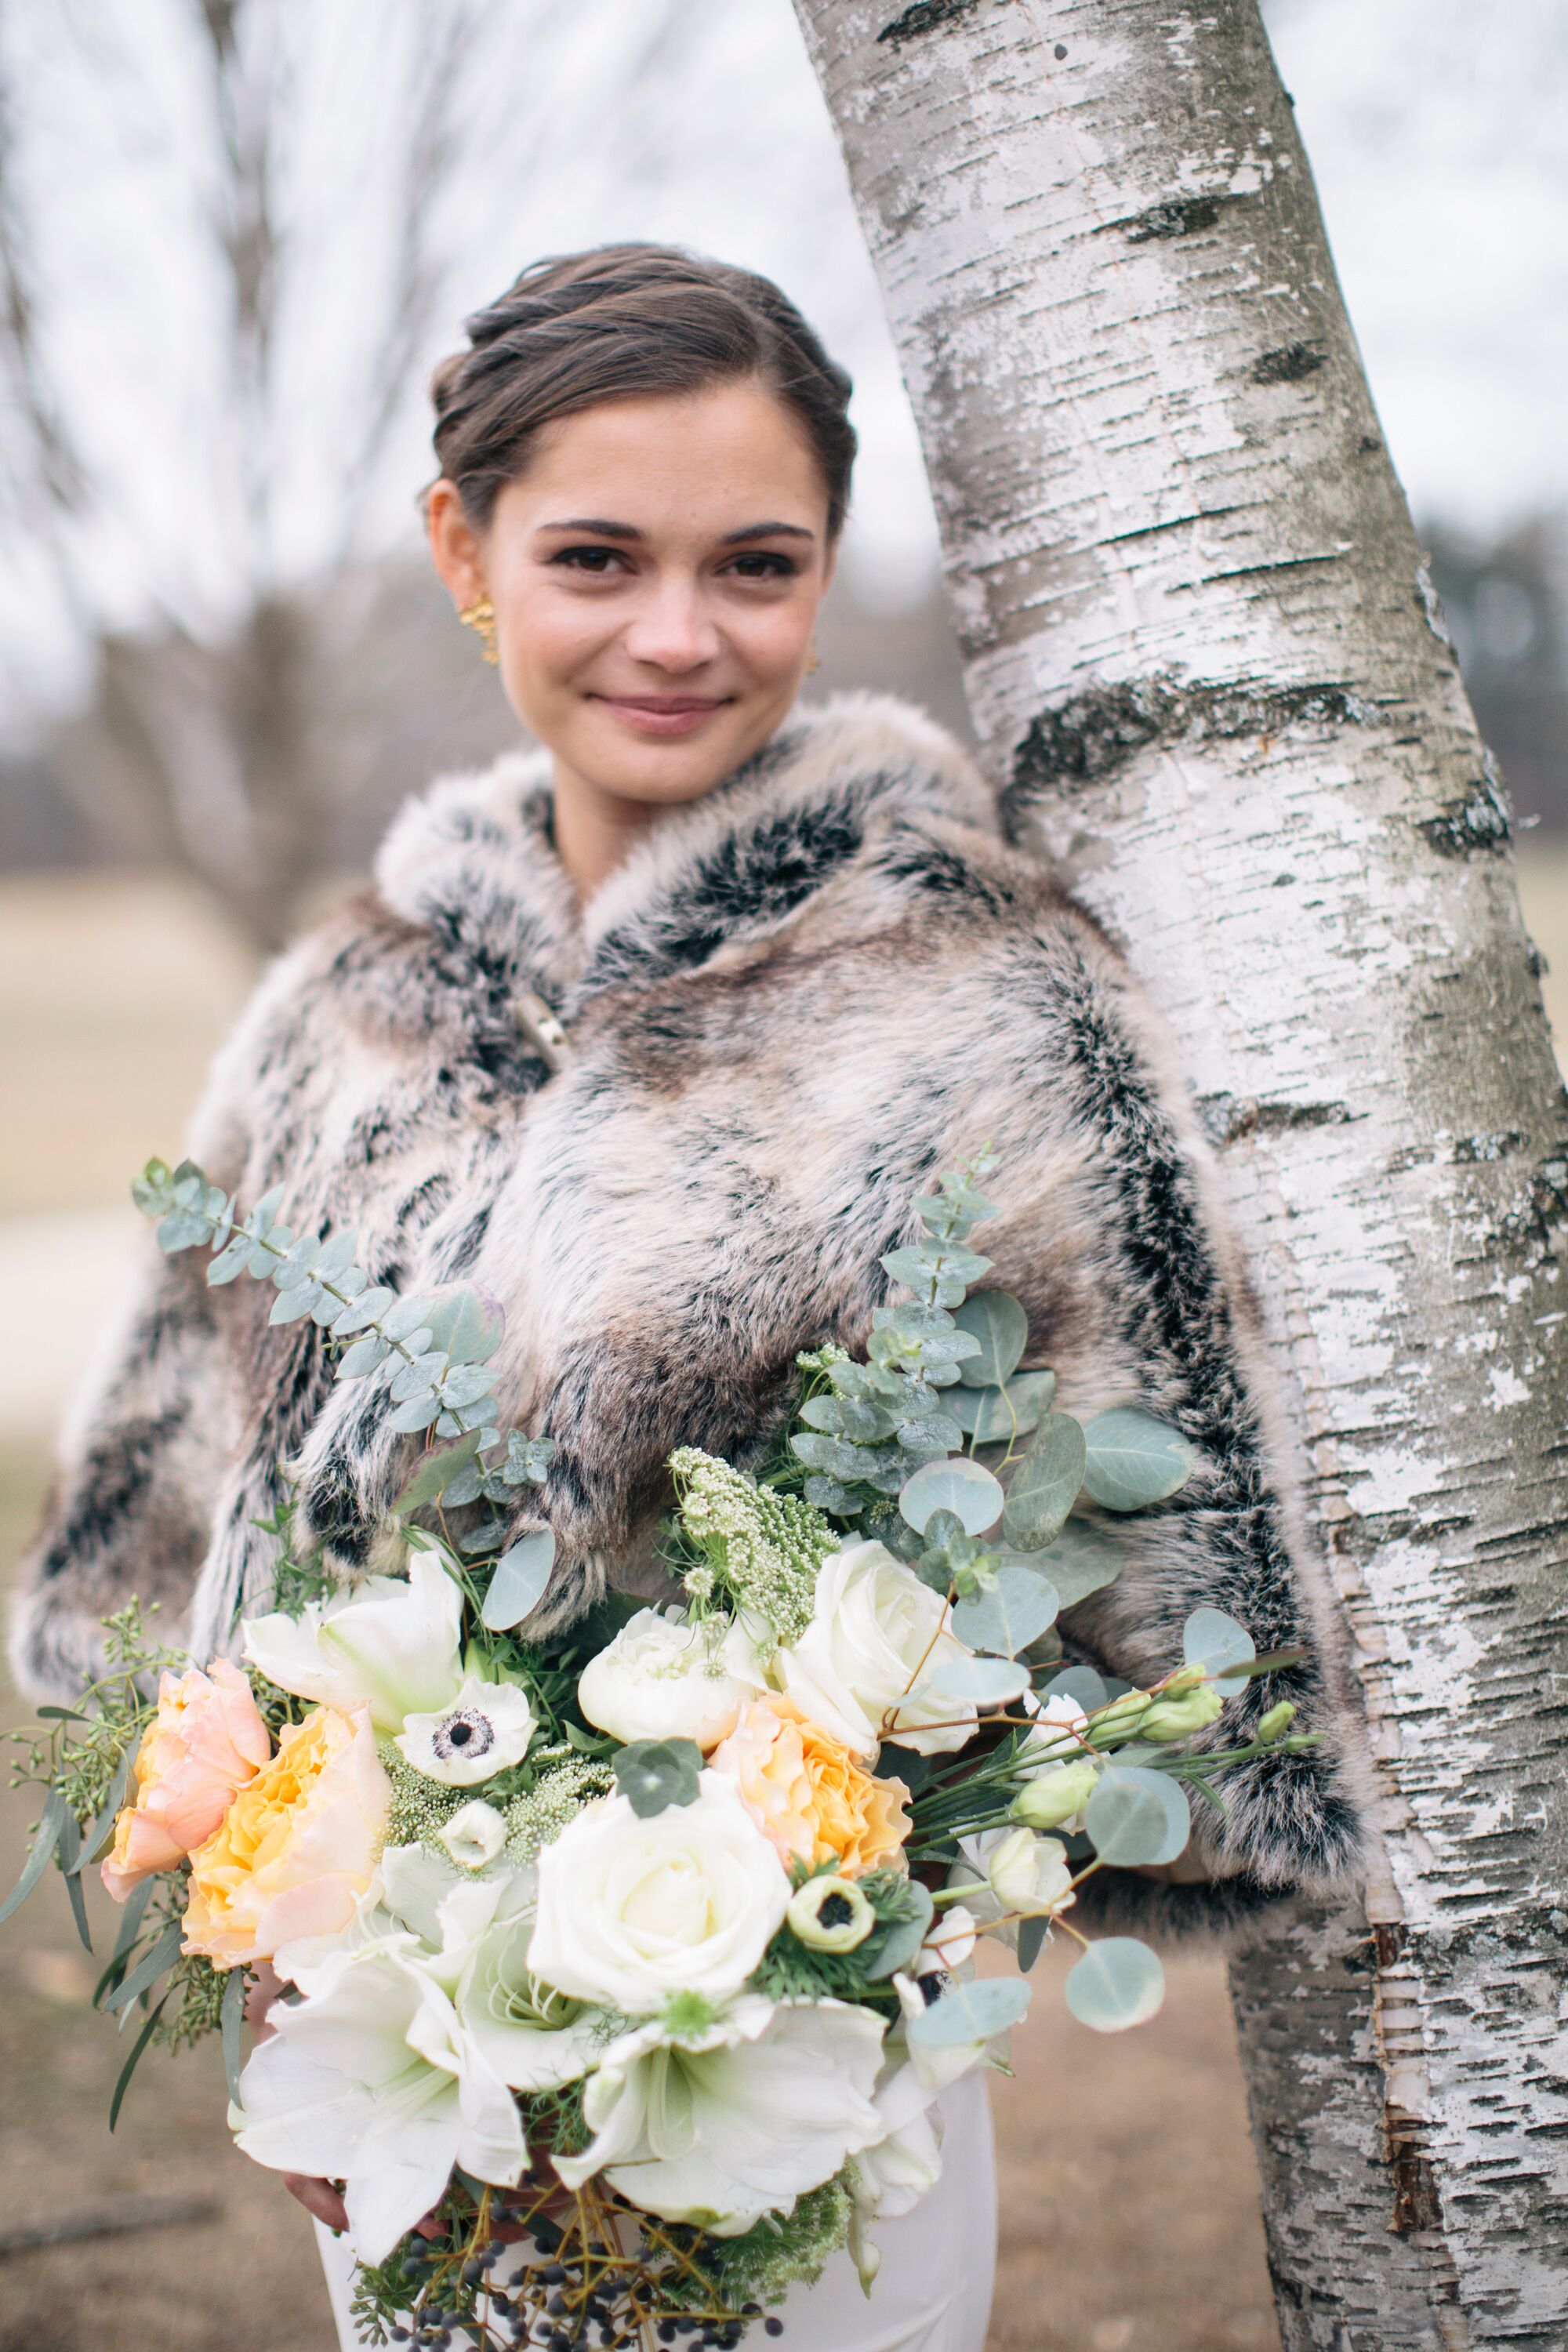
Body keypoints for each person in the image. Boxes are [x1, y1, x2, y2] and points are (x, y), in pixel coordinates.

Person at [10, 243, 1362, 2351]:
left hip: (808, 2077)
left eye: (754, 563)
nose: (675, 632)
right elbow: (185, 1549)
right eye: (595, 556)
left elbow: (1134, 1588)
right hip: (403, 2080)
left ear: (826, 569)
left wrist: (839, 1925)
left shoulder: (960, 977)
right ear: (466, 552)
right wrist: (276, 1952)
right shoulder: (349, 1009)